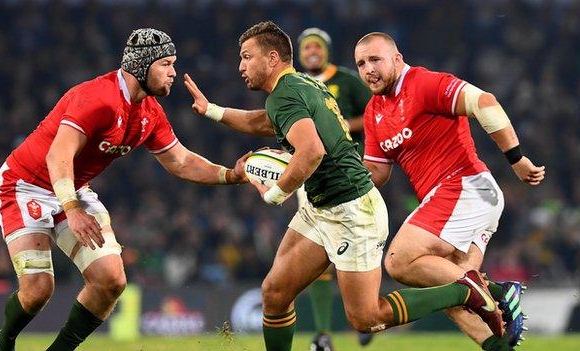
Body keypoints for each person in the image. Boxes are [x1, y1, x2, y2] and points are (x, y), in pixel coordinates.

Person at [184, 21, 504, 351]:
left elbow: (310, 152)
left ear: (273, 57)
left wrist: (276, 193)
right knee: (275, 293)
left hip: (351, 211)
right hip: (320, 205)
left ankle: (464, 291)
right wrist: (213, 111)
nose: (240, 66)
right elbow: (264, 121)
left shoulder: (285, 97)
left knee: (366, 318)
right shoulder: (301, 86)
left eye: (247, 57)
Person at [0, 28, 248, 351]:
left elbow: (180, 161)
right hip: (25, 185)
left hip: (73, 186)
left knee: (111, 280)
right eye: (166, 64)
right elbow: (57, 155)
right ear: (142, 65)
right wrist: (72, 210)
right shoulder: (97, 98)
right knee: (38, 290)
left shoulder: (151, 113)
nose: (173, 73)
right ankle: (4, 342)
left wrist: (230, 175)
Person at [355, 32, 545, 350]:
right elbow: (376, 172)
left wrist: (516, 158)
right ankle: (499, 342)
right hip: (459, 198)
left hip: (464, 187)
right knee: (451, 292)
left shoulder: (423, 83)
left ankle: (497, 292)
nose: (368, 69)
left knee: (400, 261)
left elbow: (484, 102)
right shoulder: (374, 112)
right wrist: (334, 177)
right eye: (361, 64)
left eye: (375, 59)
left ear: (397, 59)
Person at [296, 27, 373, 350]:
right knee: (320, 254)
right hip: (310, 177)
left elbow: (374, 115)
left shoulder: (347, 80)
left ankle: (366, 315)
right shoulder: (293, 85)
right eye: (306, 47)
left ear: (326, 51)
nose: (312, 51)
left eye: (318, 46)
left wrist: (337, 126)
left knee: (356, 251)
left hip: (348, 173)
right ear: (299, 54)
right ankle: (324, 333)